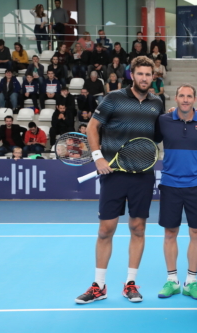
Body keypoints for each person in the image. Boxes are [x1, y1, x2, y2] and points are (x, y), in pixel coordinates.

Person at [74, 56, 163, 304]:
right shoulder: (113, 98)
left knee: (138, 228)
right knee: (106, 230)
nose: (144, 78)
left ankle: (130, 283)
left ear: (153, 77)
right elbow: (92, 127)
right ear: (131, 75)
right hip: (112, 173)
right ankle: (99, 286)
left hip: (142, 174)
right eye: (140, 74)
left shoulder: (157, 102)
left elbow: (158, 134)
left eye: (149, 74)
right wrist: (97, 157)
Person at [153, 84, 197, 300]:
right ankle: (172, 280)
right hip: (170, 185)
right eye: (182, 96)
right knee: (170, 233)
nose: (185, 99)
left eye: (189, 96)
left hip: (196, 185)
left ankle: (191, 281)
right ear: (176, 99)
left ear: (194, 99)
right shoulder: (163, 121)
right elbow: (150, 139)